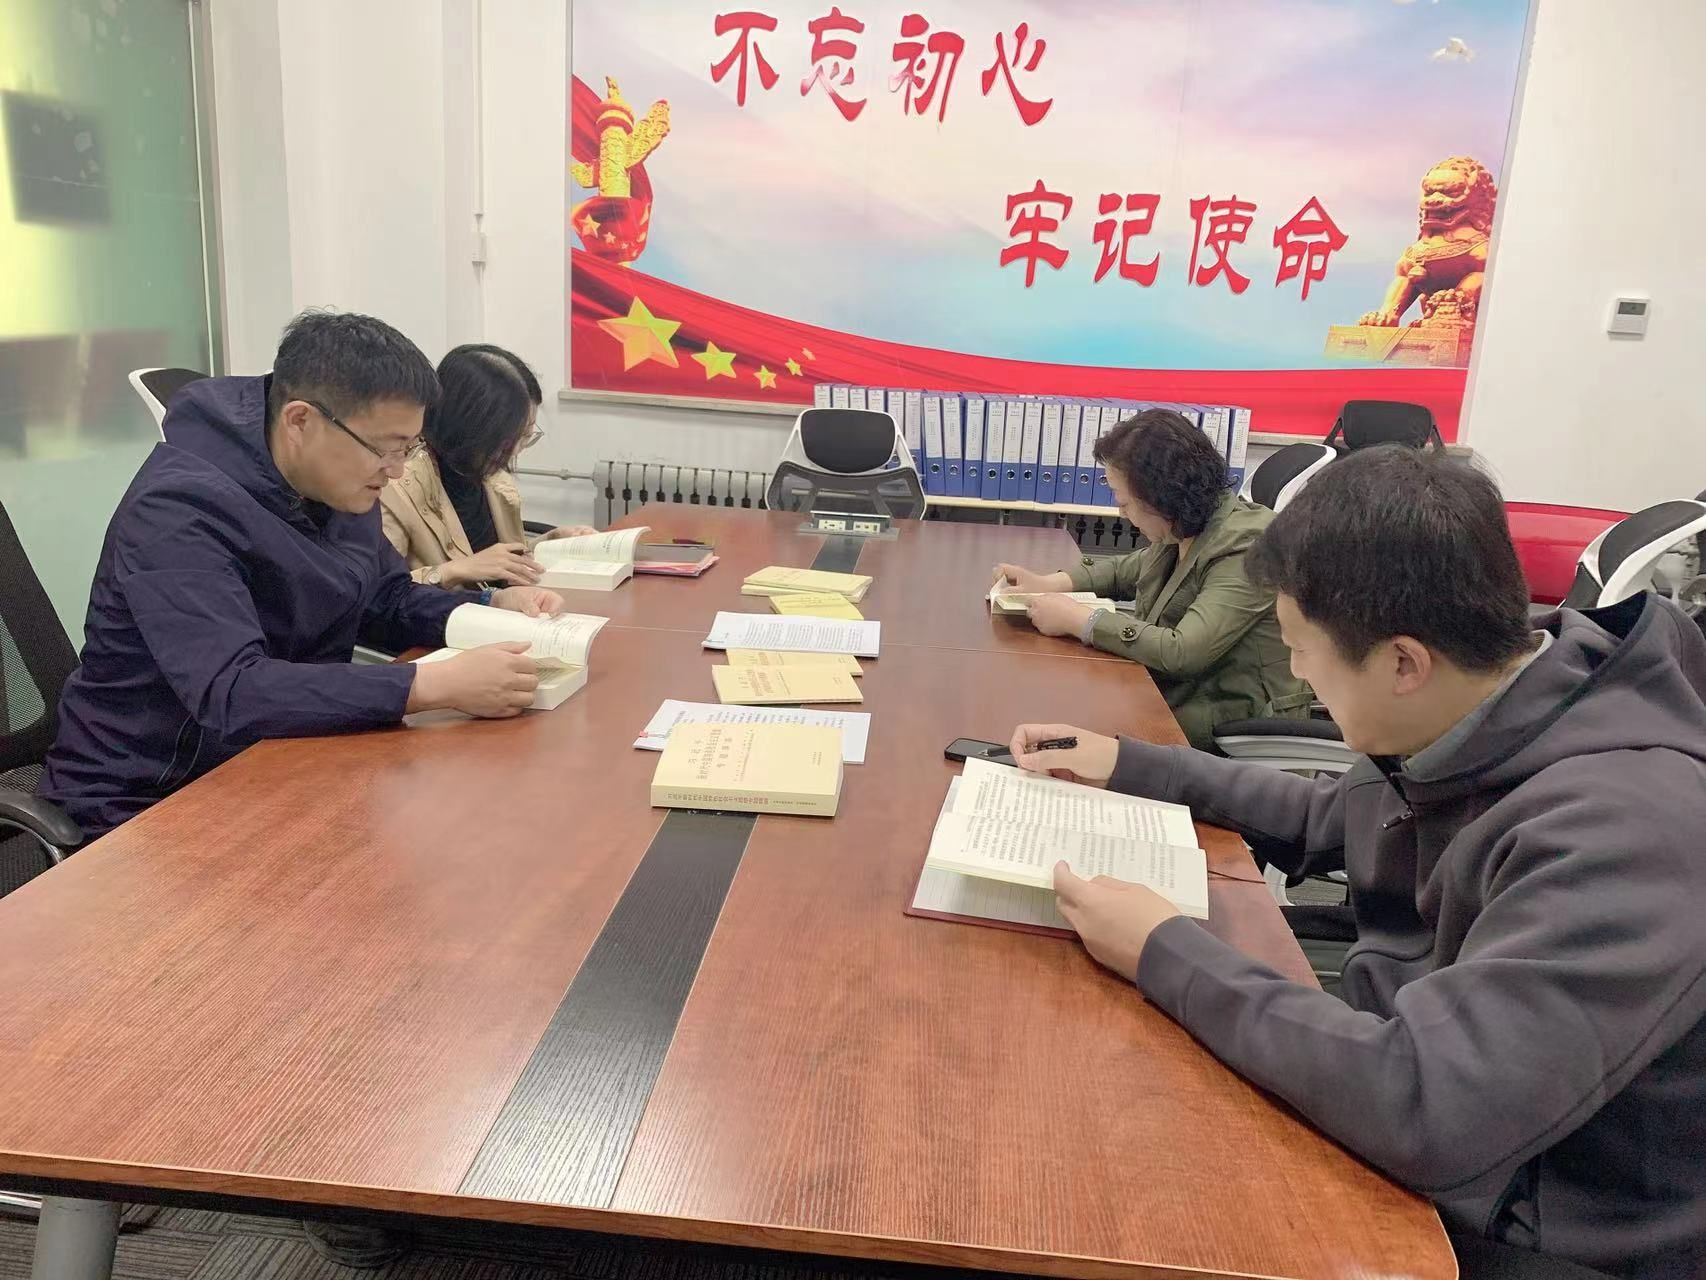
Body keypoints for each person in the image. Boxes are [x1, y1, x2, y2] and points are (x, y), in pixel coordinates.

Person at [1006, 447, 1706, 1277]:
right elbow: (1327, 817)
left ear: (1404, 662)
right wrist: (1131, 763)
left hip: (1526, 1226)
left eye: (1302, 650)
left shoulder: (1629, 834)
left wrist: (1161, 947)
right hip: (1414, 1084)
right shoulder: (1486, 701)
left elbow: (1433, 1108)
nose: (1296, 672)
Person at [39, 311, 566, 844]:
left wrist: (487, 609)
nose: (396, 470)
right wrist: (429, 685)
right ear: (300, 421)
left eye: (408, 449)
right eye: (385, 449)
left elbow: (382, 597)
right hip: (147, 798)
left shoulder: (333, 480)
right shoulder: (178, 509)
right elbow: (231, 690)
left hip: (275, 760)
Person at [993, 408, 1310, 750]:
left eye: (1125, 503)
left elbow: (1183, 651)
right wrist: (1050, 583)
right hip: (1180, 694)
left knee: (1070, 731)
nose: (1121, 513)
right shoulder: (1188, 524)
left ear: (1162, 496)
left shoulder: (1245, 546)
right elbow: (1129, 569)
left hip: (1232, 720)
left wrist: (1082, 621)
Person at [379, 343, 597, 589]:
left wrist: (551, 543)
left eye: (526, 436)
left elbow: (495, 563)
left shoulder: (490, 476)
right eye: (508, 438)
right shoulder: (395, 486)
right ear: (471, 426)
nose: (515, 450)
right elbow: (378, 594)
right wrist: (454, 571)